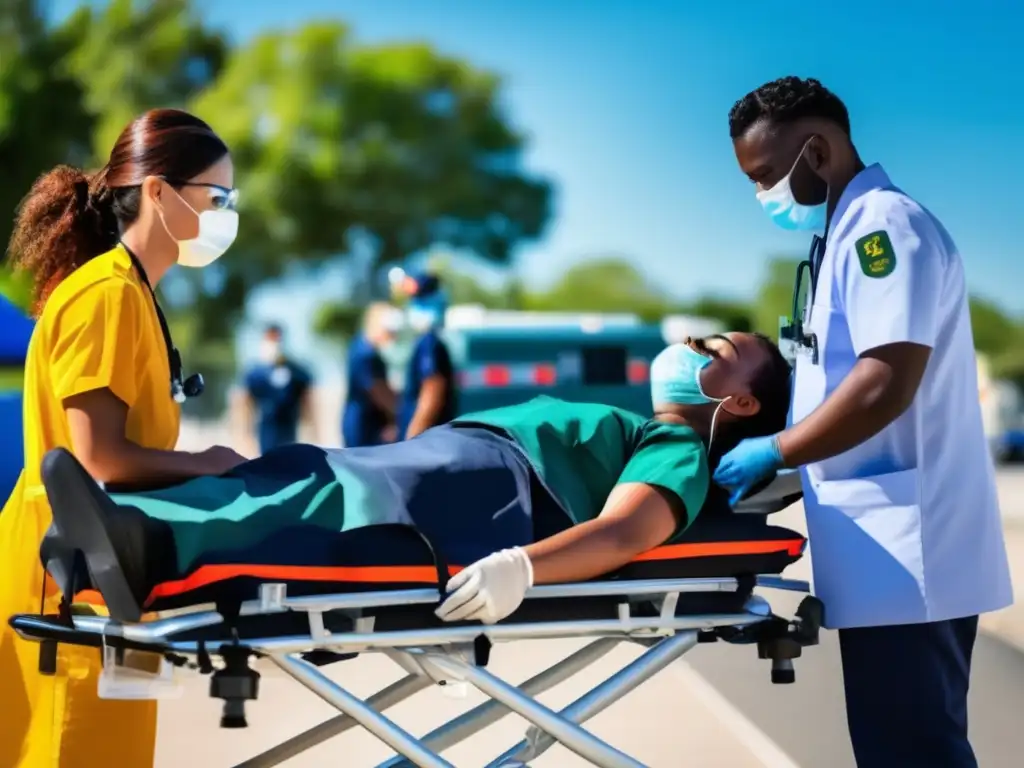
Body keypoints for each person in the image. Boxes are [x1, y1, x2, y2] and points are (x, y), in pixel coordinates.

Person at [47, 333, 791, 626]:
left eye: (717, 347)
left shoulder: (678, 446)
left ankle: (141, 547)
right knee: (294, 472)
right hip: (466, 462)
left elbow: (630, 530)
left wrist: (525, 569)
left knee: (320, 498)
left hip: (492, 487)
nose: (691, 342)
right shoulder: (646, 424)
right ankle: (123, 526)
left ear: (743, 403)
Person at [715, 76, 1012, 767]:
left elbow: (884, 382)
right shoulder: (842, 235)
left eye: (766, 177)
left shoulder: (884, 227)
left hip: (912, 550)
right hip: (881, 551)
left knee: (914, 750)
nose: (763, 197)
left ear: (816, 151)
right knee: (897, 747)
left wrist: (778, 450)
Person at [0, 108, 248, 768]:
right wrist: (208, 464)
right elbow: (99, 458)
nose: (226, 215)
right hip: (69, 582)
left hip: (120, 575)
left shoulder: (136, 295)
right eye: (216, 197)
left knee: (121, 754)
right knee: (68, 750)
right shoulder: (103, 296)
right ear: (160, 192)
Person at [395, 270, 457, 439]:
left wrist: (411, 437)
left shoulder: (429, 343)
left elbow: (432, 389)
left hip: (423, 442)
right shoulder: (426, 341)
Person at [236, 324, 315, 455]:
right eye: (270, 339)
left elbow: (307, 401)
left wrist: (311, 430)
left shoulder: (296, 371)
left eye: (277, 339)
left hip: (289, 429)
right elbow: (246, 403)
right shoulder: (256, 373)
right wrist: (244, 434)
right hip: (265, 429)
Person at [342, 302, 402, 447]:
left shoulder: (360, 346)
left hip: (364, 423)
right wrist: (401, 415)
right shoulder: (366, 354)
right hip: (364, 426)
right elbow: (379, 392)